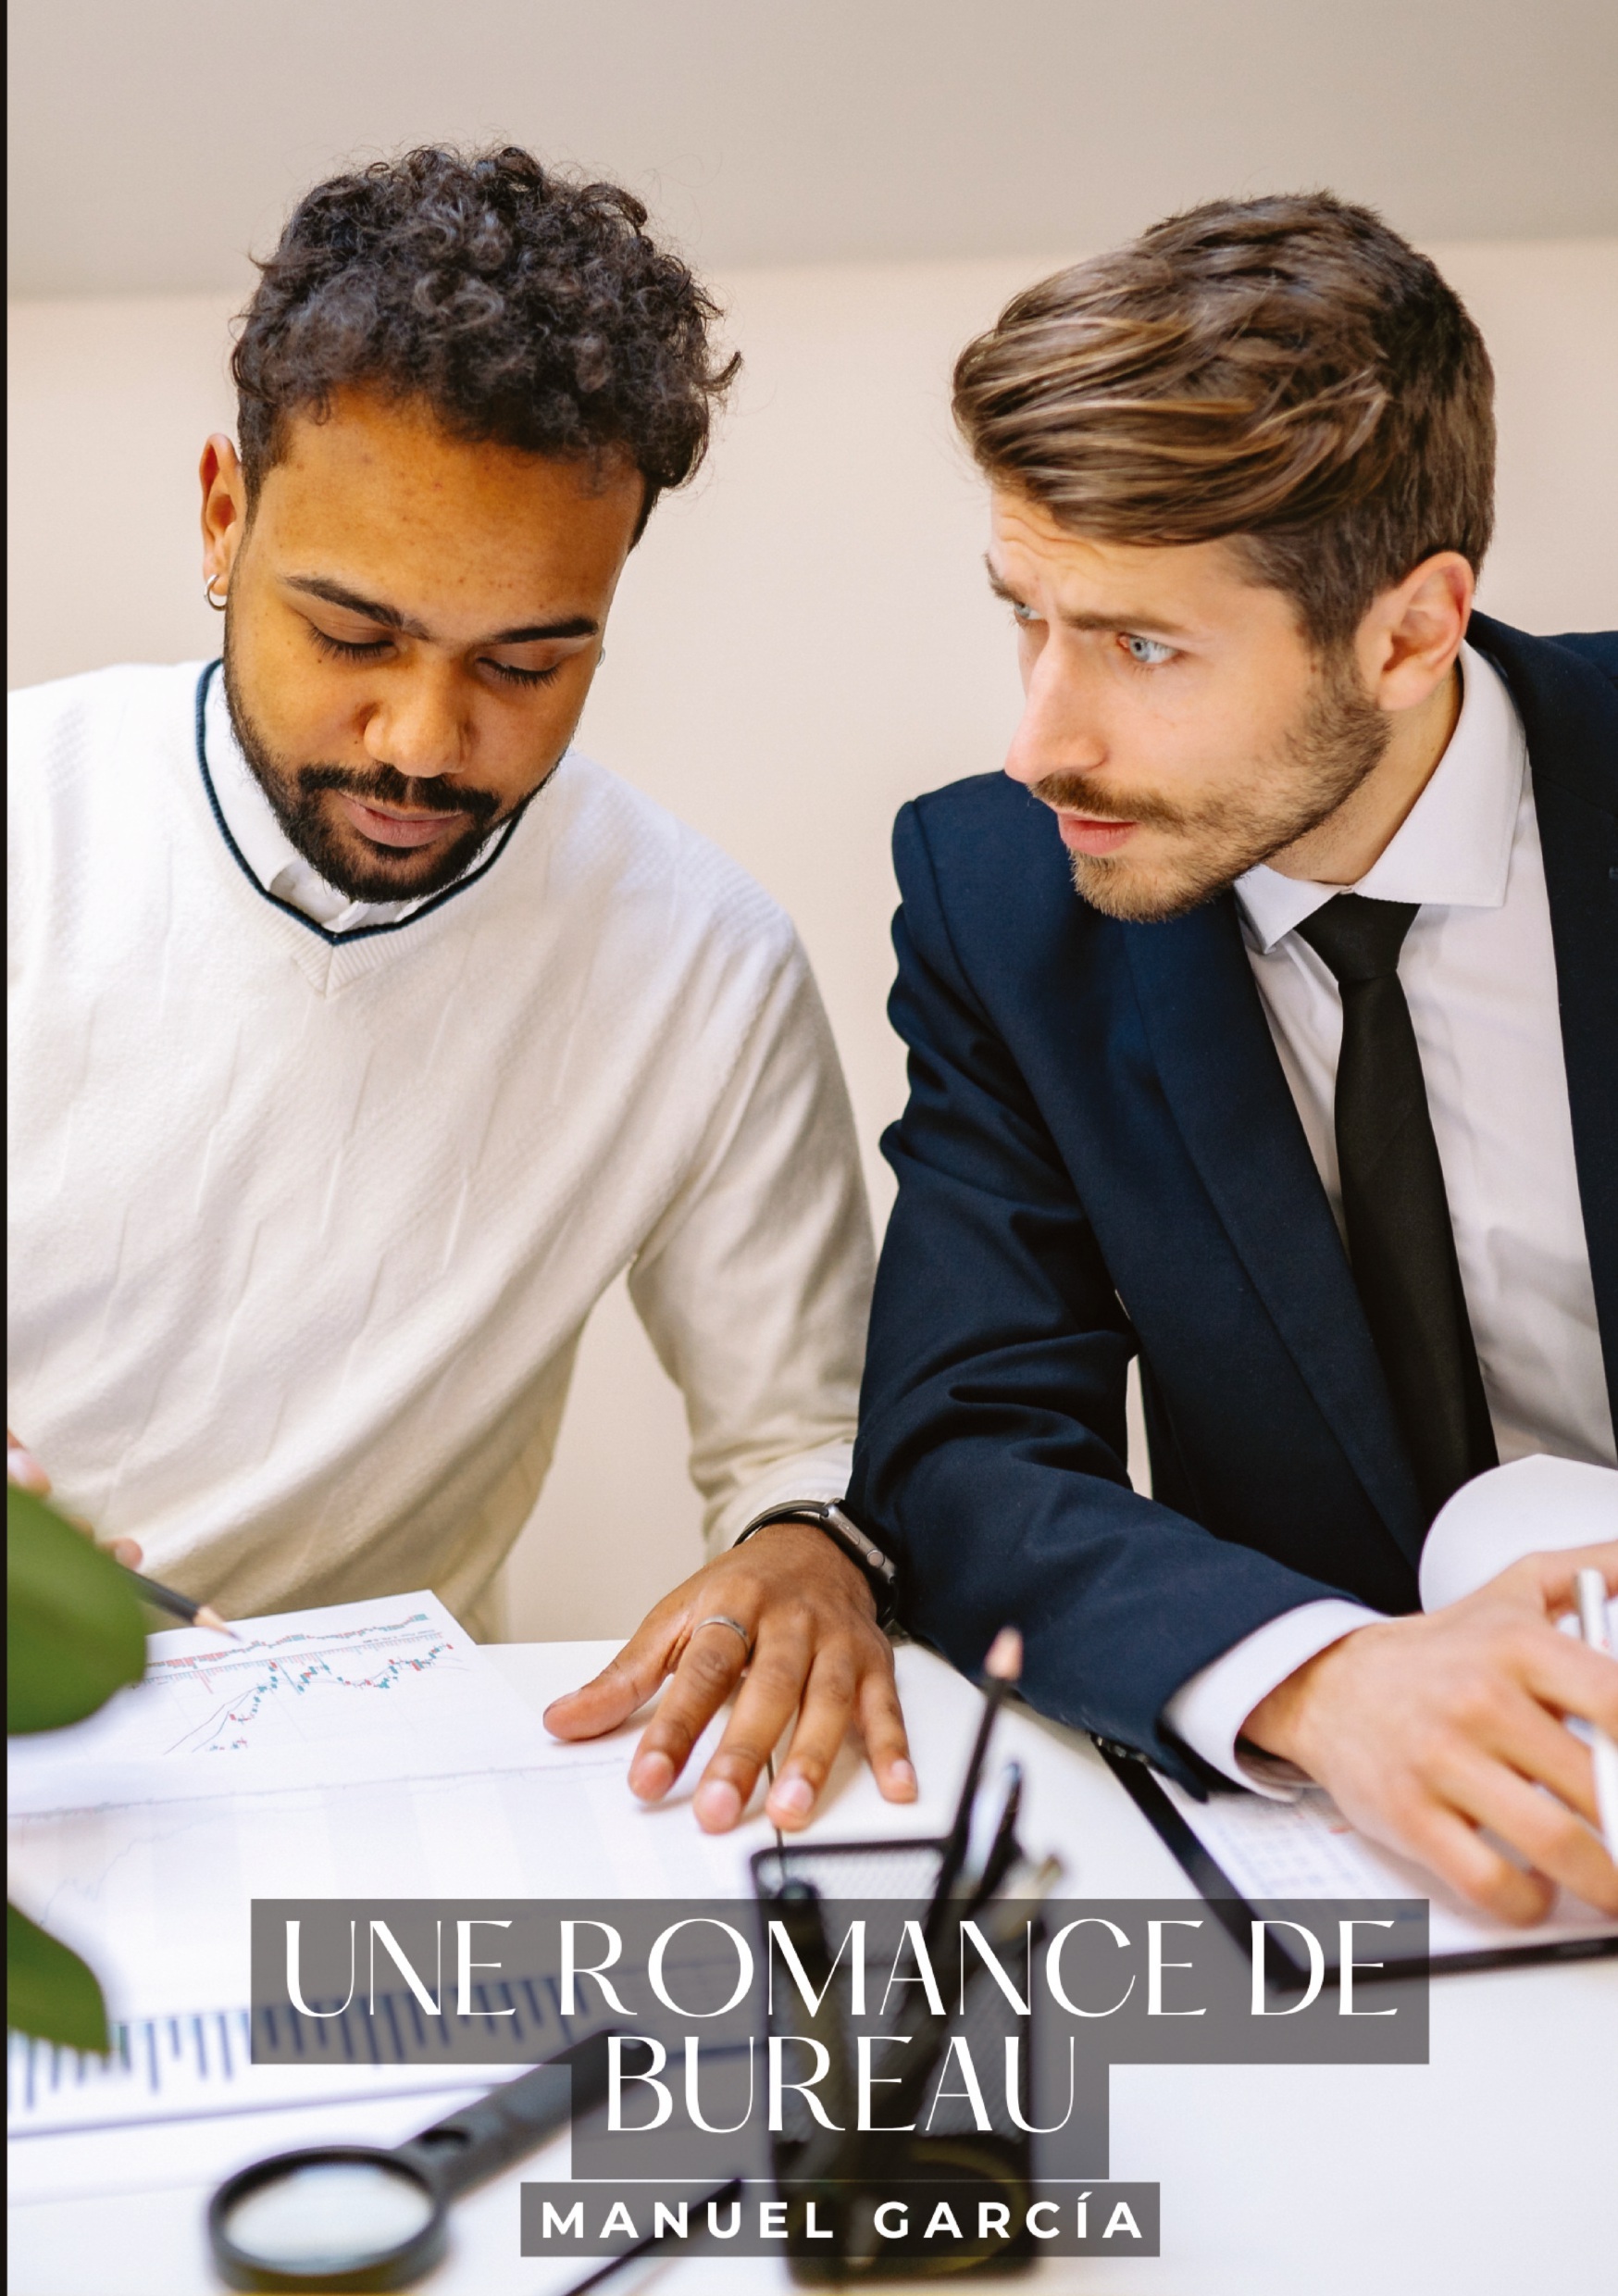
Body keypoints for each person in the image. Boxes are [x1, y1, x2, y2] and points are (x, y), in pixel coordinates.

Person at [7, 144, 913, 1837]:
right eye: (352, 637)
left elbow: (810, 1442)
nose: (425, 743)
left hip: (373, 1801)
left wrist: (806, 1552)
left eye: (525, 663)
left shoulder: (700, 966)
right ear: (224, 514)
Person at [847, 193, 1618, 1922]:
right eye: (1026, 615)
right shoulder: (1001, 896)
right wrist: (1328, 1682)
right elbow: (962, 1453)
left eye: (1141, 647)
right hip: (1362, 1878)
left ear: (1412, 631)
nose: (1042, 738)